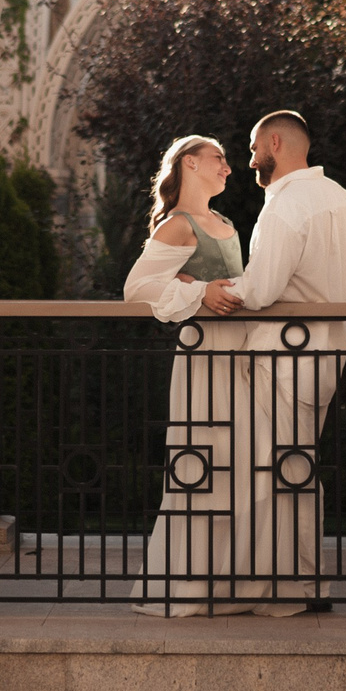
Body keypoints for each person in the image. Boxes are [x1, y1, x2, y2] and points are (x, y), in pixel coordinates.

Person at [204, 110, 346, 617]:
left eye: (254, 148)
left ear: (276, 142)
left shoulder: (286, 208)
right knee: (296, 468)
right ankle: (299, 579)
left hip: (282, 359)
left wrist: (201, 292)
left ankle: (292, 586)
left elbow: (262, 289)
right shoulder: (343, 201)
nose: (251, 159)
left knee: (278, 472)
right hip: (325, 357)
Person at [120, 135, 247, 616]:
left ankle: (228, 583)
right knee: (201, 465)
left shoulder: (227, 224)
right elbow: (136, 289)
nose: (228, 168)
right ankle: (186, 586)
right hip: (204, 358)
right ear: (190, 163)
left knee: (239, 464)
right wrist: (194, 293)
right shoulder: (178, 225)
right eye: (219, 158)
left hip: (242, 357)